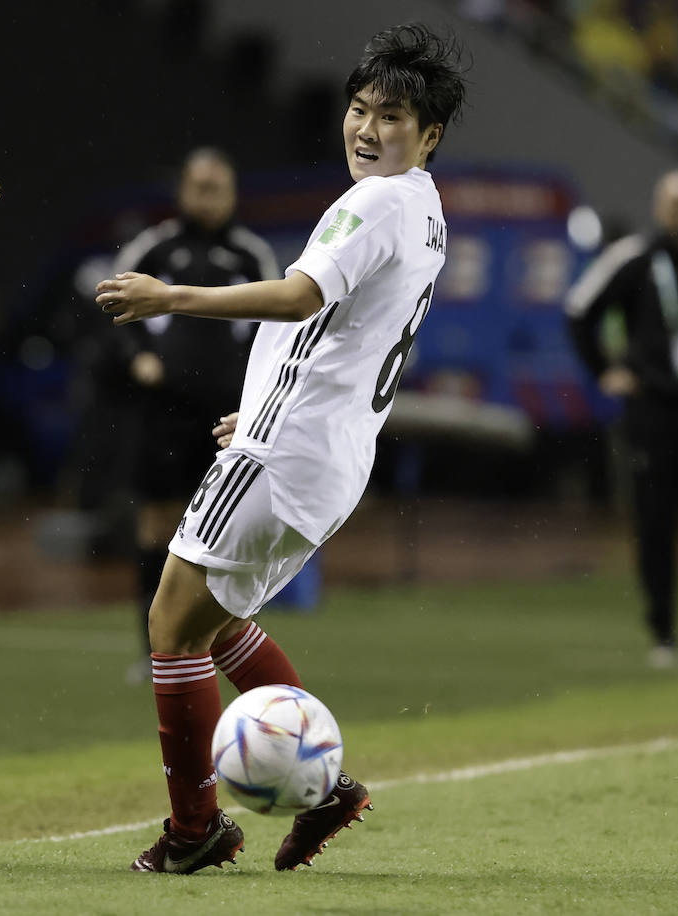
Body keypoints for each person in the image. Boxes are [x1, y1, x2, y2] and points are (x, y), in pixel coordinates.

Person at [96, 23, 468, 873]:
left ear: (430, 135)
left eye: (393, 118)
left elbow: (301, 298)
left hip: (288, 453)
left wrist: (170, 295)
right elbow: (350, 337)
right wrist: (263, 409)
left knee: (169, 626)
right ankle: (328, 789)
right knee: (219, 620)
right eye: (359, 108)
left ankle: (194, 831)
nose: (367, 130)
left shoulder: (378, 200)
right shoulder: (427, 212)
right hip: (321, 455)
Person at [104, 148, 280, 683]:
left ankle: (215, 648)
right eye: (198, 186)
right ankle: (153, 650)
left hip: (227, 417)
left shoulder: (251, 255)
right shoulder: (156, 246)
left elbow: (281, 325)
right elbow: (108, 299)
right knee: (157, 527)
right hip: (165, 413)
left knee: (230, 534)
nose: (207, 198)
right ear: (182, 190)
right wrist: (138, 358)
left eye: (218, 188)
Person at [566, 169, 678, 669]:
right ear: (659, 209)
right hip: (653, 411)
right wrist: (605, 372)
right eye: (675, 205)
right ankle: (664, 635)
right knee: (655, 524)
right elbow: (578, 310)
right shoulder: (634, 258)